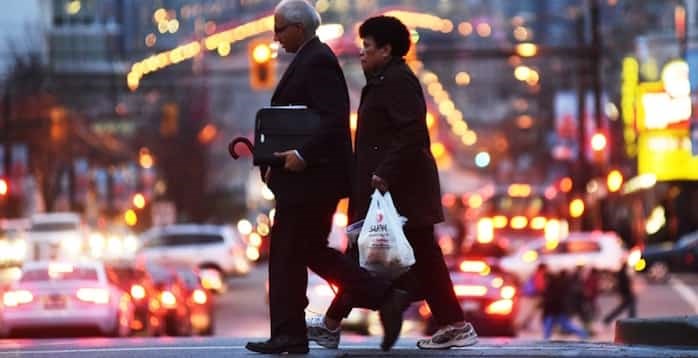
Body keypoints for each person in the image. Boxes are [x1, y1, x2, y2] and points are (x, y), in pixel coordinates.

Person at [305, 15, 478, 350]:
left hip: (401, 191)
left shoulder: (397, 80)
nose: (361, 53)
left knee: (420, 258)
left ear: (386, 49)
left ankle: (453, 323)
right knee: (367, 258)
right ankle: (334, 322)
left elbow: (411, 133)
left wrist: (385, 172)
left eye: (367, 47)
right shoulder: (385, 78)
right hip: (393, 190)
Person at [245, 1, 408, 354]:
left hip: (312, 182)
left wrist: (303, 155)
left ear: (299, 28)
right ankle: (381, 297)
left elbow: (333, 118)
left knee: (290, 252)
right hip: (307, 182)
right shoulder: (309, 59)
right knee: (305, 251)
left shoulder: (317, 60)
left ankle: (291, 334)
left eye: (279, 29)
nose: (275, 37)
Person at [542, 270, 589, 340]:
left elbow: (553, 300)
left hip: (555, 311)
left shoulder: (552, 287)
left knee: (562, 326)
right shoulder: (556, 286)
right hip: (556, 311)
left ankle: (583, 333)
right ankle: (582, 333)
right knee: (563, 326)